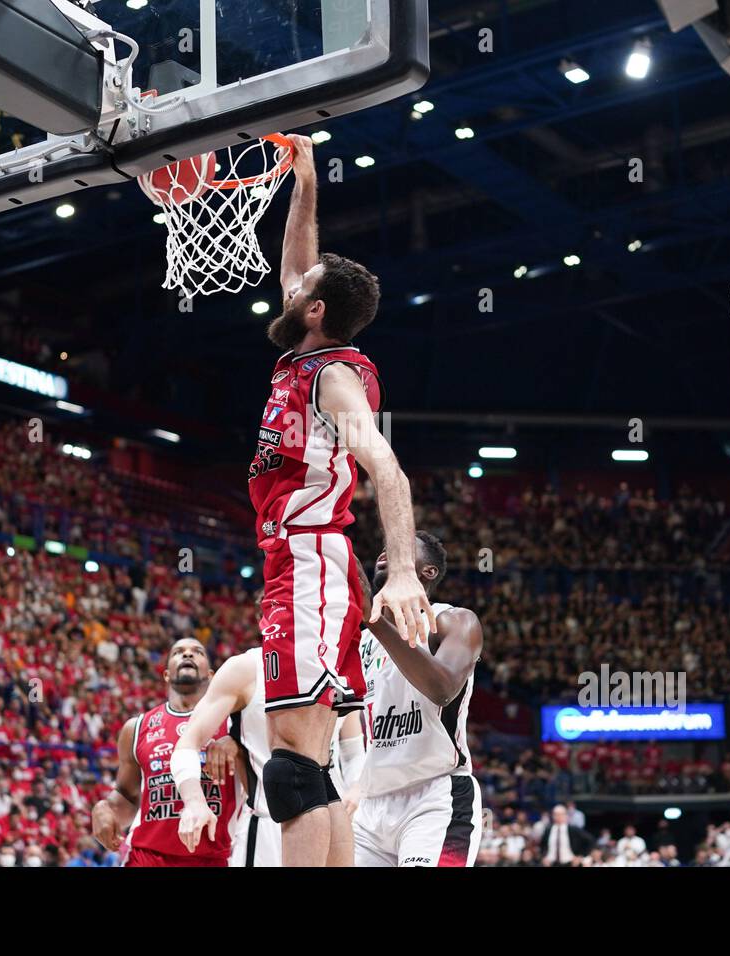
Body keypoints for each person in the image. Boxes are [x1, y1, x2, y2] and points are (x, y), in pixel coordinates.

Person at [249, 134, 433, 867]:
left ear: (315, 310)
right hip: (303, 564)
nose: (286, 286)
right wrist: (306, 180)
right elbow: (298, 260)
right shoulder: (306, 353)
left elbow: (389, 468)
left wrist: (404, 572)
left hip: (313, 561)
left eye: (300, 289)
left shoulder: (334, 377)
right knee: (308, 767)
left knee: (291, 765)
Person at [350, 532, 485, 867]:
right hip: (370, 806)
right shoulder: (360, 641)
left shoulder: (454, 620)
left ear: (428, 572)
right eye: (385, 546)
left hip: (436, 797)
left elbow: (442, 688)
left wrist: (373, 617)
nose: (386, 550)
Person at [173, 649, 364, 867]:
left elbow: (353, 751)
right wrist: (194, 802)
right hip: (268, 826)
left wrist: (357, 789)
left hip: (334, 819)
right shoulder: (245, 668)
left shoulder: (340, 665)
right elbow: (187, 743)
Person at [90, 639, 237, 867]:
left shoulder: (234, 725)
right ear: (167, 675)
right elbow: (127, 796)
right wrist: (105, 809)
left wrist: (235, 745)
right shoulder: (136, 728)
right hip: (147, 858)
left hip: (215, 858)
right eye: (178, 652)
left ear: (211, 675)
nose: (187, 655)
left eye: (197, 652)